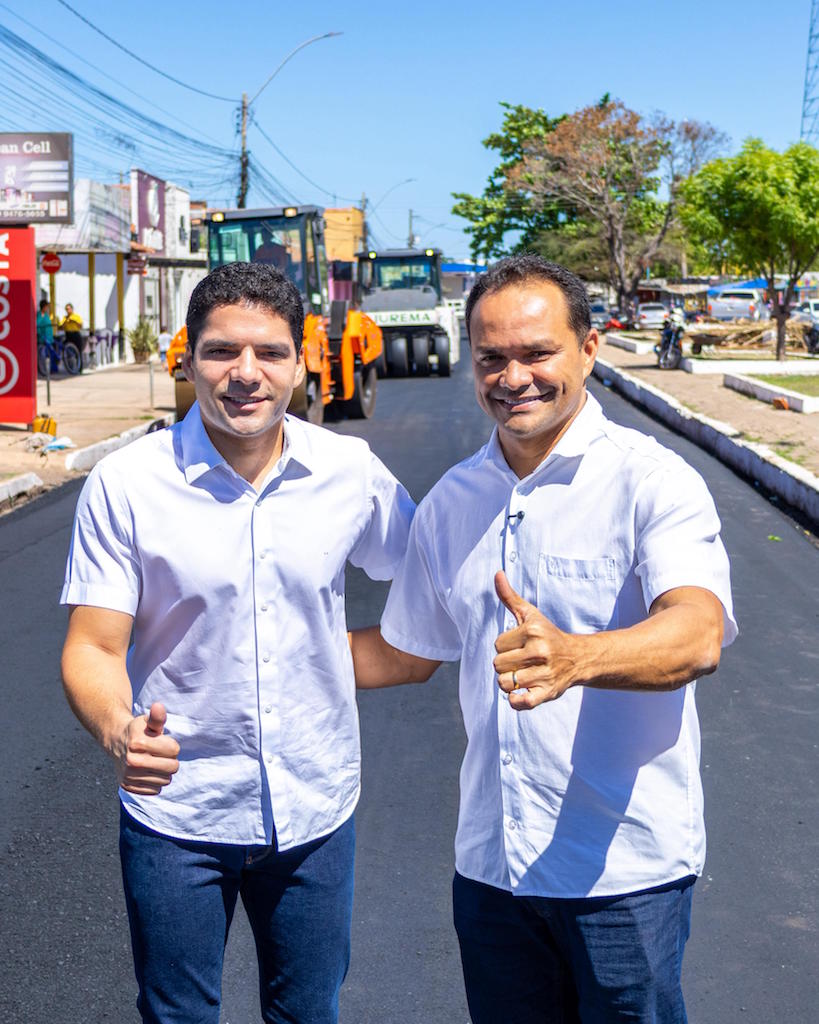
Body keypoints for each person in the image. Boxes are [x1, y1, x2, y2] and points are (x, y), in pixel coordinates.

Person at [351, 254, 737, 1023]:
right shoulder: (453, 502)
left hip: (622, 876)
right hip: (493, 876)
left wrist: (577, 657)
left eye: (536, 353)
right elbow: (404, 651)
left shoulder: (650, 481)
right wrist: (241, 659)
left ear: (588, 350)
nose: (512, 376)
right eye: (492, 357)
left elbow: (695, 635)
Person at [60, 261, 415, 1024]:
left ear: (302, 358)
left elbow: (425, 583)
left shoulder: (349, 472)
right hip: (177, 814)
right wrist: (119, 730)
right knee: (177, 1013)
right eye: (222, 351)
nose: (245, 374)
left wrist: (358, 659)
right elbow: (92, 646)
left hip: (315, 806)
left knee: (308, 1012)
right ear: (188, 355)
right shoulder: (127, 484)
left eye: (270, 353)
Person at [36, 299, 58, 373]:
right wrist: (39, 334)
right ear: (43, 307)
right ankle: (45, 369)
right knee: (44, 355)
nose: (47, 308)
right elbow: (37, 325)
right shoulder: (40, 315)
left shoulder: (46, 315)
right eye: (46, 307)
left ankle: (52, 369)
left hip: (49, 337)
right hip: (43, 338)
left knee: (52, 353)